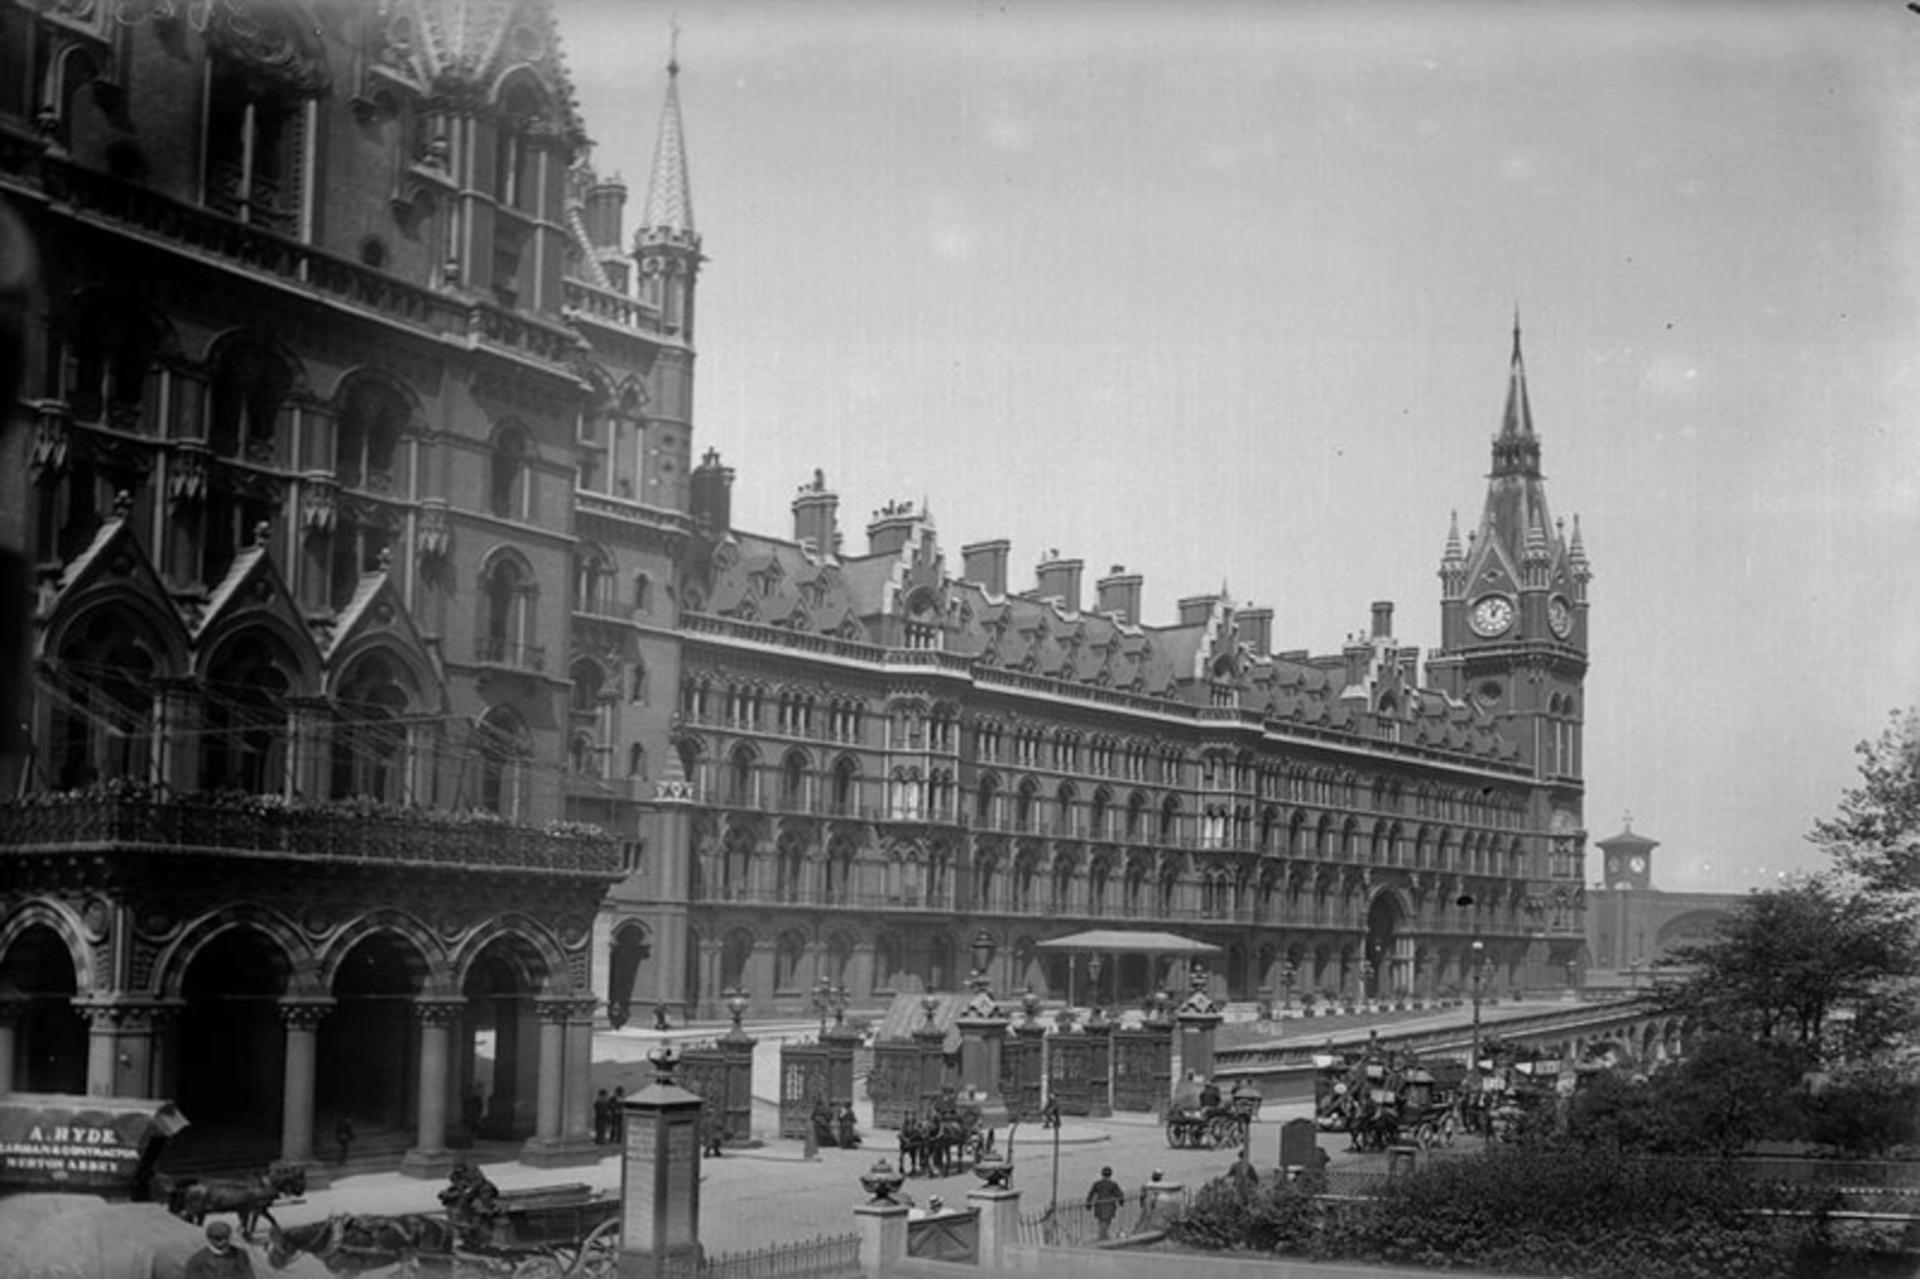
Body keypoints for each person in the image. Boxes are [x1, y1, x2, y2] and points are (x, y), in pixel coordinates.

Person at [184, 1220, 254, 1278]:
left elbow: (248, 1275)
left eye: (226, 1237)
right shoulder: (197, 1261)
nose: (223, 1241)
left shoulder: (240, 1255)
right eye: (218, 1238)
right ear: (209, 1238)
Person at [1086, 1165, 1124, 1240]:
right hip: (1109, 1206)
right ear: (1111, 1174)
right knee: (1106, 1223)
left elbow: (1091, 1194)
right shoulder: (1113, 1184)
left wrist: (1089, 1205)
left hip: (1099, 1206)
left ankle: (1103, 1237)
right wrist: (1121, 1202)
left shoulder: (1097, 1184)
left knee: (1101, 1222)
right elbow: (1119, 1195)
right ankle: (1102, 1238)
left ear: (1102, 1174)